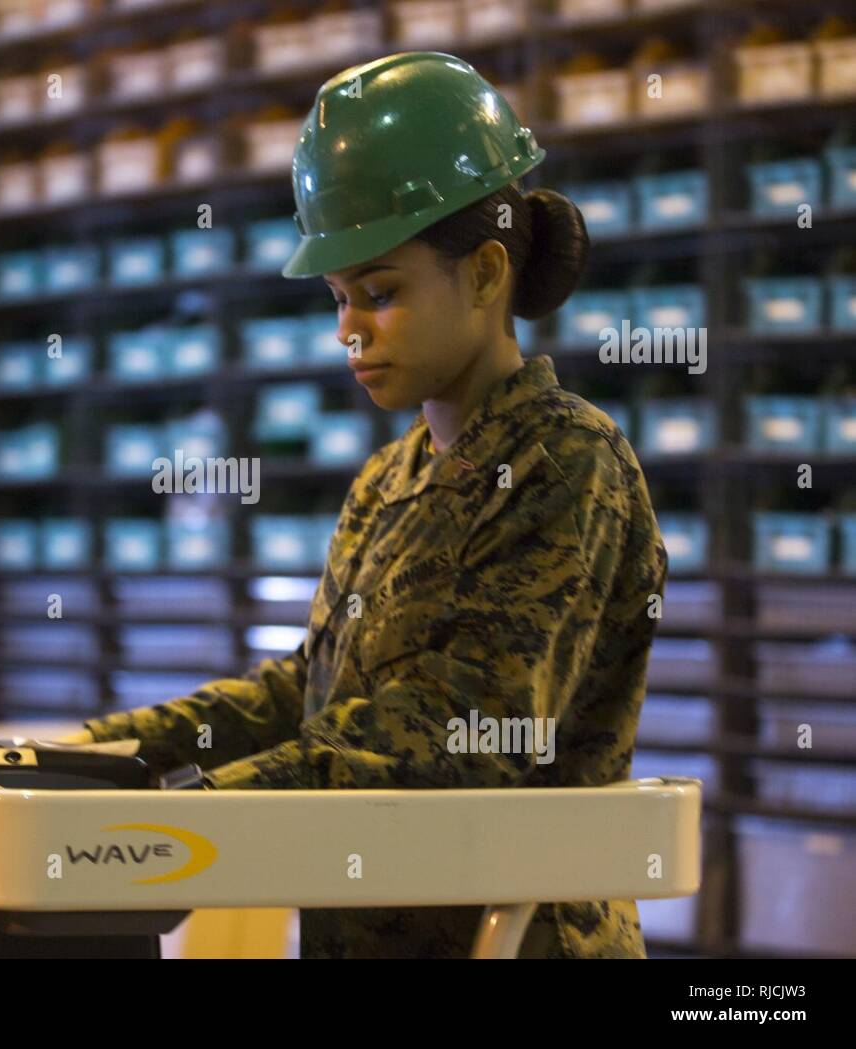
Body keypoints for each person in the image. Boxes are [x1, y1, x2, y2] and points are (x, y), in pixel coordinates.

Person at [61, 51, 668, 959]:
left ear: (486, 272)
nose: (349, 328)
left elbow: (456, 738)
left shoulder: (567, 459)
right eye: (340, 298)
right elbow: (306, 693)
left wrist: (188, 810)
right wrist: (97, 755)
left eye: (380, 294)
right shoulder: (390, 479)